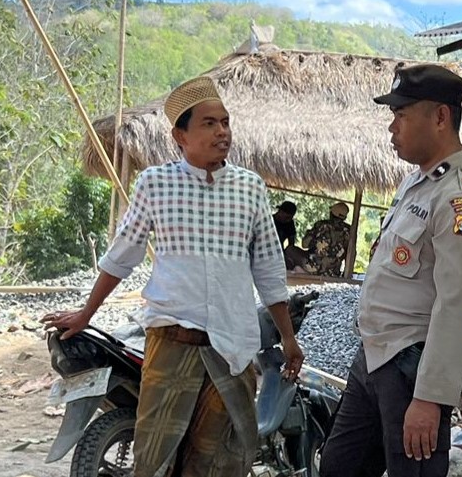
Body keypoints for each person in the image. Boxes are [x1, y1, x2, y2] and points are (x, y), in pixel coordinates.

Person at [42, 76, 304, 477]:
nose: (222, 132)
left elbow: (268, 270)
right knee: (156, 458)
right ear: (179, 135)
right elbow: (121, 257)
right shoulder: (155, 183)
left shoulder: (249, 188)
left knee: (220, 459)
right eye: (209, 123)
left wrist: (287, 338)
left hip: (231, 346)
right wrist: (85, 314)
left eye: (226, 122)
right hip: (171, 343)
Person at [320, 64, 462, 477]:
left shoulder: (459, 197)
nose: (391, 127)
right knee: (337, 467)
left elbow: (455, 305)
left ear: (440, 117)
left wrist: (430, 398)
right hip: (375, 358)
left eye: (401, 115)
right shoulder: (416, 183)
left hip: (411, 368)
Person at [302, 202, 352, 277]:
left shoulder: (320, 225)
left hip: (314, 268)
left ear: (331, 213)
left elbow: (304, 244)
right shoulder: (348, 230)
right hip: (334, 272)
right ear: (344, 217)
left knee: (291, 250)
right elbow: (350, 253)